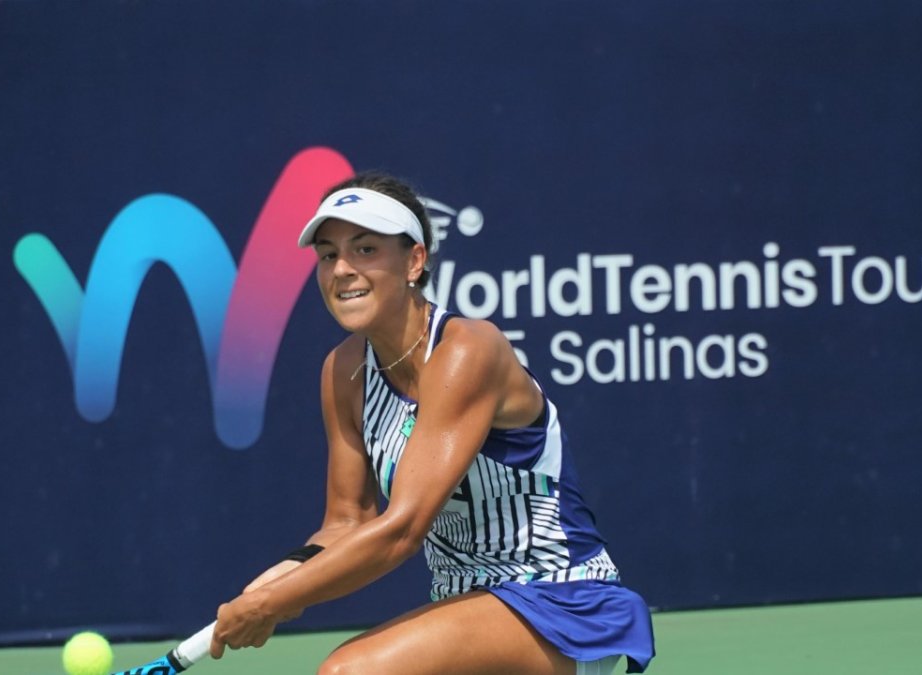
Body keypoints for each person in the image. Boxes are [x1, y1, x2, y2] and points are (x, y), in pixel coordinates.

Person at [209, 171, 655, 674]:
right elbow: (347, 521)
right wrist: (286, 573)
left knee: (348, 672)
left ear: (414, 261)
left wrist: (272, 604)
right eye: (328, 254)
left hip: (563, 603)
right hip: (466, 606)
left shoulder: (468, 350)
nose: (341, 270)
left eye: (366, 250)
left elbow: (402, 530)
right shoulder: (343, 372)